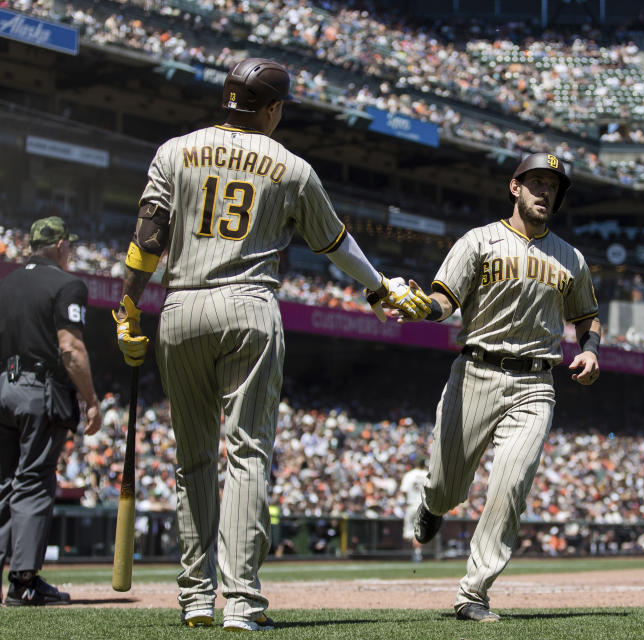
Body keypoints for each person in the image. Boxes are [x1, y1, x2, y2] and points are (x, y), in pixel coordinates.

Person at [112, 57, 429, 631]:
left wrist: (128, 309)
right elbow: (335, 243)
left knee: (193, 462)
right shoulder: (290, 166)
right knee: (248, 453)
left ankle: (193, 598)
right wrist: (381, 289)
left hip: (180, 307)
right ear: (273, 108)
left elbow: (146, 240)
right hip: (249, 307)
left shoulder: (174, 151)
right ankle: (239, 603)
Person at [404, 152, 601, 622]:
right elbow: (443, 300)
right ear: (515, 187)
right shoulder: (478, 242)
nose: (544, 191)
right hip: (475, 373)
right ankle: (434, 504)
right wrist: (421, 308)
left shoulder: (571, 258)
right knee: (450, 488)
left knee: (511, 484)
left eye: (552, 186)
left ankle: (474, 592)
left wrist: (591, 349)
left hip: (536, 382)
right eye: (536, 182)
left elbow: (587, 318)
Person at [0, 216, 102, 605]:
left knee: (3, 483)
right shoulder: (67, 283)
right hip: (37, 391)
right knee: (33, 480)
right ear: (60, 245)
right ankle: (24, 581)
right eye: (69, 245)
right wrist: (90, 401)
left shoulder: (5, 284)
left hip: (2, 387)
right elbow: (70, 349)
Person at [399, 458, 429, 562]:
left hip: (411, 506)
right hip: (424, 506)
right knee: (418, 532)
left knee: (409, 533)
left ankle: (417, 553)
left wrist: (407, 499)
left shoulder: (409, 475)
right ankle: (417, 552)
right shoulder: (427, 474)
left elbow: (403, 491)